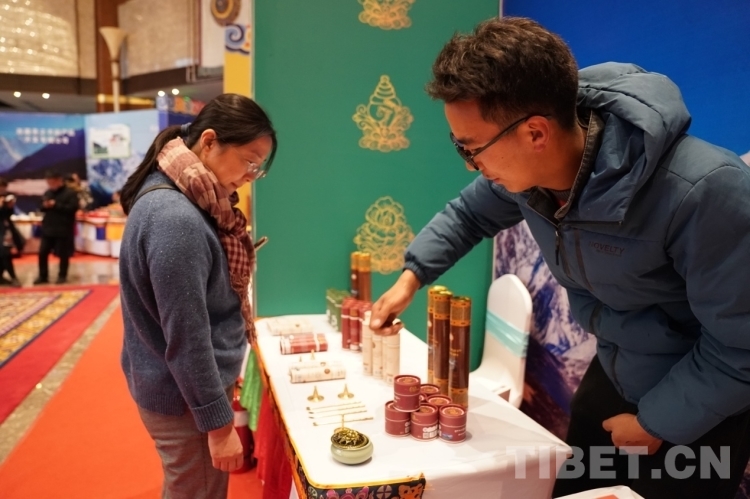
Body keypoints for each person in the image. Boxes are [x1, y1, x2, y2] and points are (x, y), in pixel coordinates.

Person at [369, 17, 750, 499]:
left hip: (701, 401)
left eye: (472, 149)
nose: (471, 165)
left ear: (535, 133)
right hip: (615, 368)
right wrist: (411, 277)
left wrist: (657, 423)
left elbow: (740, 347)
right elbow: (468, 214)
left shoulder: (704, 192)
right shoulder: (528, 176)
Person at [119, 93, 277, 499]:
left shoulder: (186, 197)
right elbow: (188, 338)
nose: (251, 175)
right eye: (249, 161)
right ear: (209, 142)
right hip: (185, 399)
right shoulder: (176, 218)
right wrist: (219, 427)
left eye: (258, 168)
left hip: (176, 387)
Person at [35, 171, 79, 285]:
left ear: (59, 180)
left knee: (63, 254)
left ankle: (62, 275)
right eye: (48, 182)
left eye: (52, 182)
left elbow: (73, 208)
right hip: (48, 228)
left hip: (63, 228)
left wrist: (56, 205)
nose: (50, 184)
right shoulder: (48, 193)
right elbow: (40, 207)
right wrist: (45, 205)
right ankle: (43, 276)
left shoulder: (70, 193)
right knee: (42, 252)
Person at [0, 179, 22, 286]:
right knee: (4, 253)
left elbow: (8, 215)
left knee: (5, 253)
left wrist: (9, 206)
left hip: (5, 230)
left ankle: (7, 277)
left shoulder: (5, 197)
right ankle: (13, 277)